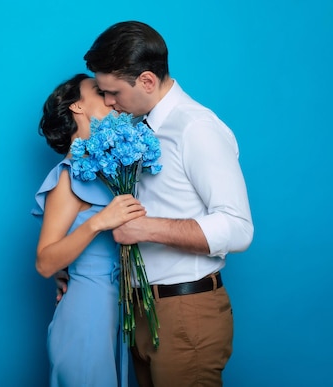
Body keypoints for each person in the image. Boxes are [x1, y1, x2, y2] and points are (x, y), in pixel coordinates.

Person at [70, 21, 254, 386]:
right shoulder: (138, 126)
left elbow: (239, 228)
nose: (107, 102)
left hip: (185, 312)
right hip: (141, 309)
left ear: (148, 81)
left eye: (113, 92)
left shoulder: (195, 128)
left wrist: (145, 228)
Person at [32, 73, 146, 386]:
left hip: (115, 310)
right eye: (99, 91)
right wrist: (99, 223)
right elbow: (44, 262)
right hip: (87, 314)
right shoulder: (68, 176)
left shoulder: (106, 172)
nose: (111, 98)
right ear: (77, 107)